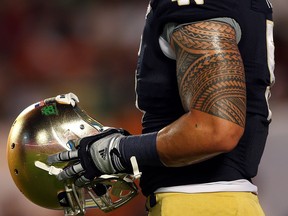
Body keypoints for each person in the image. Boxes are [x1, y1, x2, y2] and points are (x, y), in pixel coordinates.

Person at [48, 0, 275, 215]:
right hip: (211, 201)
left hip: (198, 203)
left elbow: (216, 129)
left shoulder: (196, 7)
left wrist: (120, 151)